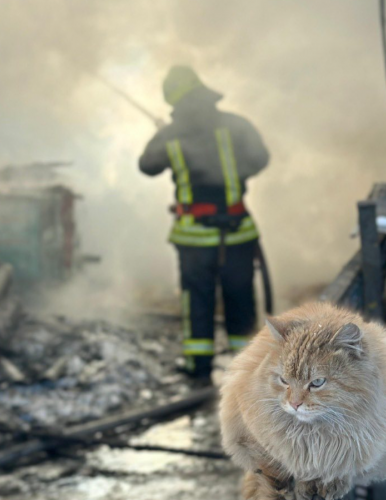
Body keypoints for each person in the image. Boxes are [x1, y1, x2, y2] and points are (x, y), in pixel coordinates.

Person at [138, 65, 269, 382]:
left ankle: (198, 368)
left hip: (194, 237)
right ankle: (248, 373)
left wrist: (164, 134)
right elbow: (261, 158)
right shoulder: (236, 125)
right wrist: (236, 175)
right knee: (240, 299)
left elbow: (146, 166)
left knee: (197, 300)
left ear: (175, 102)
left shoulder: (170, 135)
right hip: (237, 232)